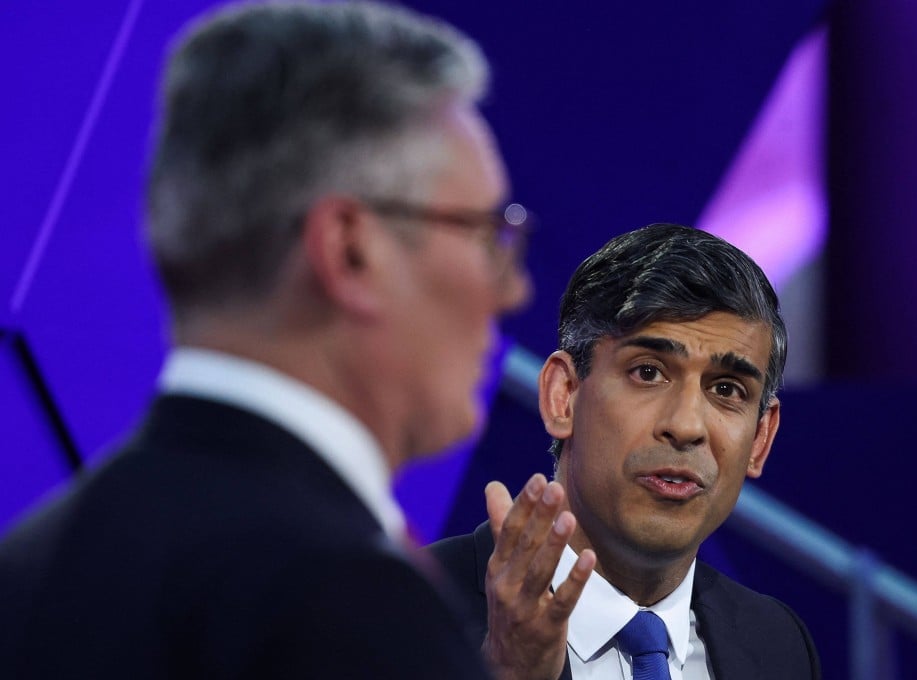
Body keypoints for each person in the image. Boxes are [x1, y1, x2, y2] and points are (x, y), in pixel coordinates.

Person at [0, 2, 530, 677]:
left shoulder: (31, 566)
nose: (511, 291)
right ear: (350, 250)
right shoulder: (349, 609)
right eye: (489, 236)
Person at [431, 224, 821, 679]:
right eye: (649, 373)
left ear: (759, 439)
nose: (686, 426)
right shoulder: (408, 610)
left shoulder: (777, 644)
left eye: (726, 388)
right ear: (564, 395)